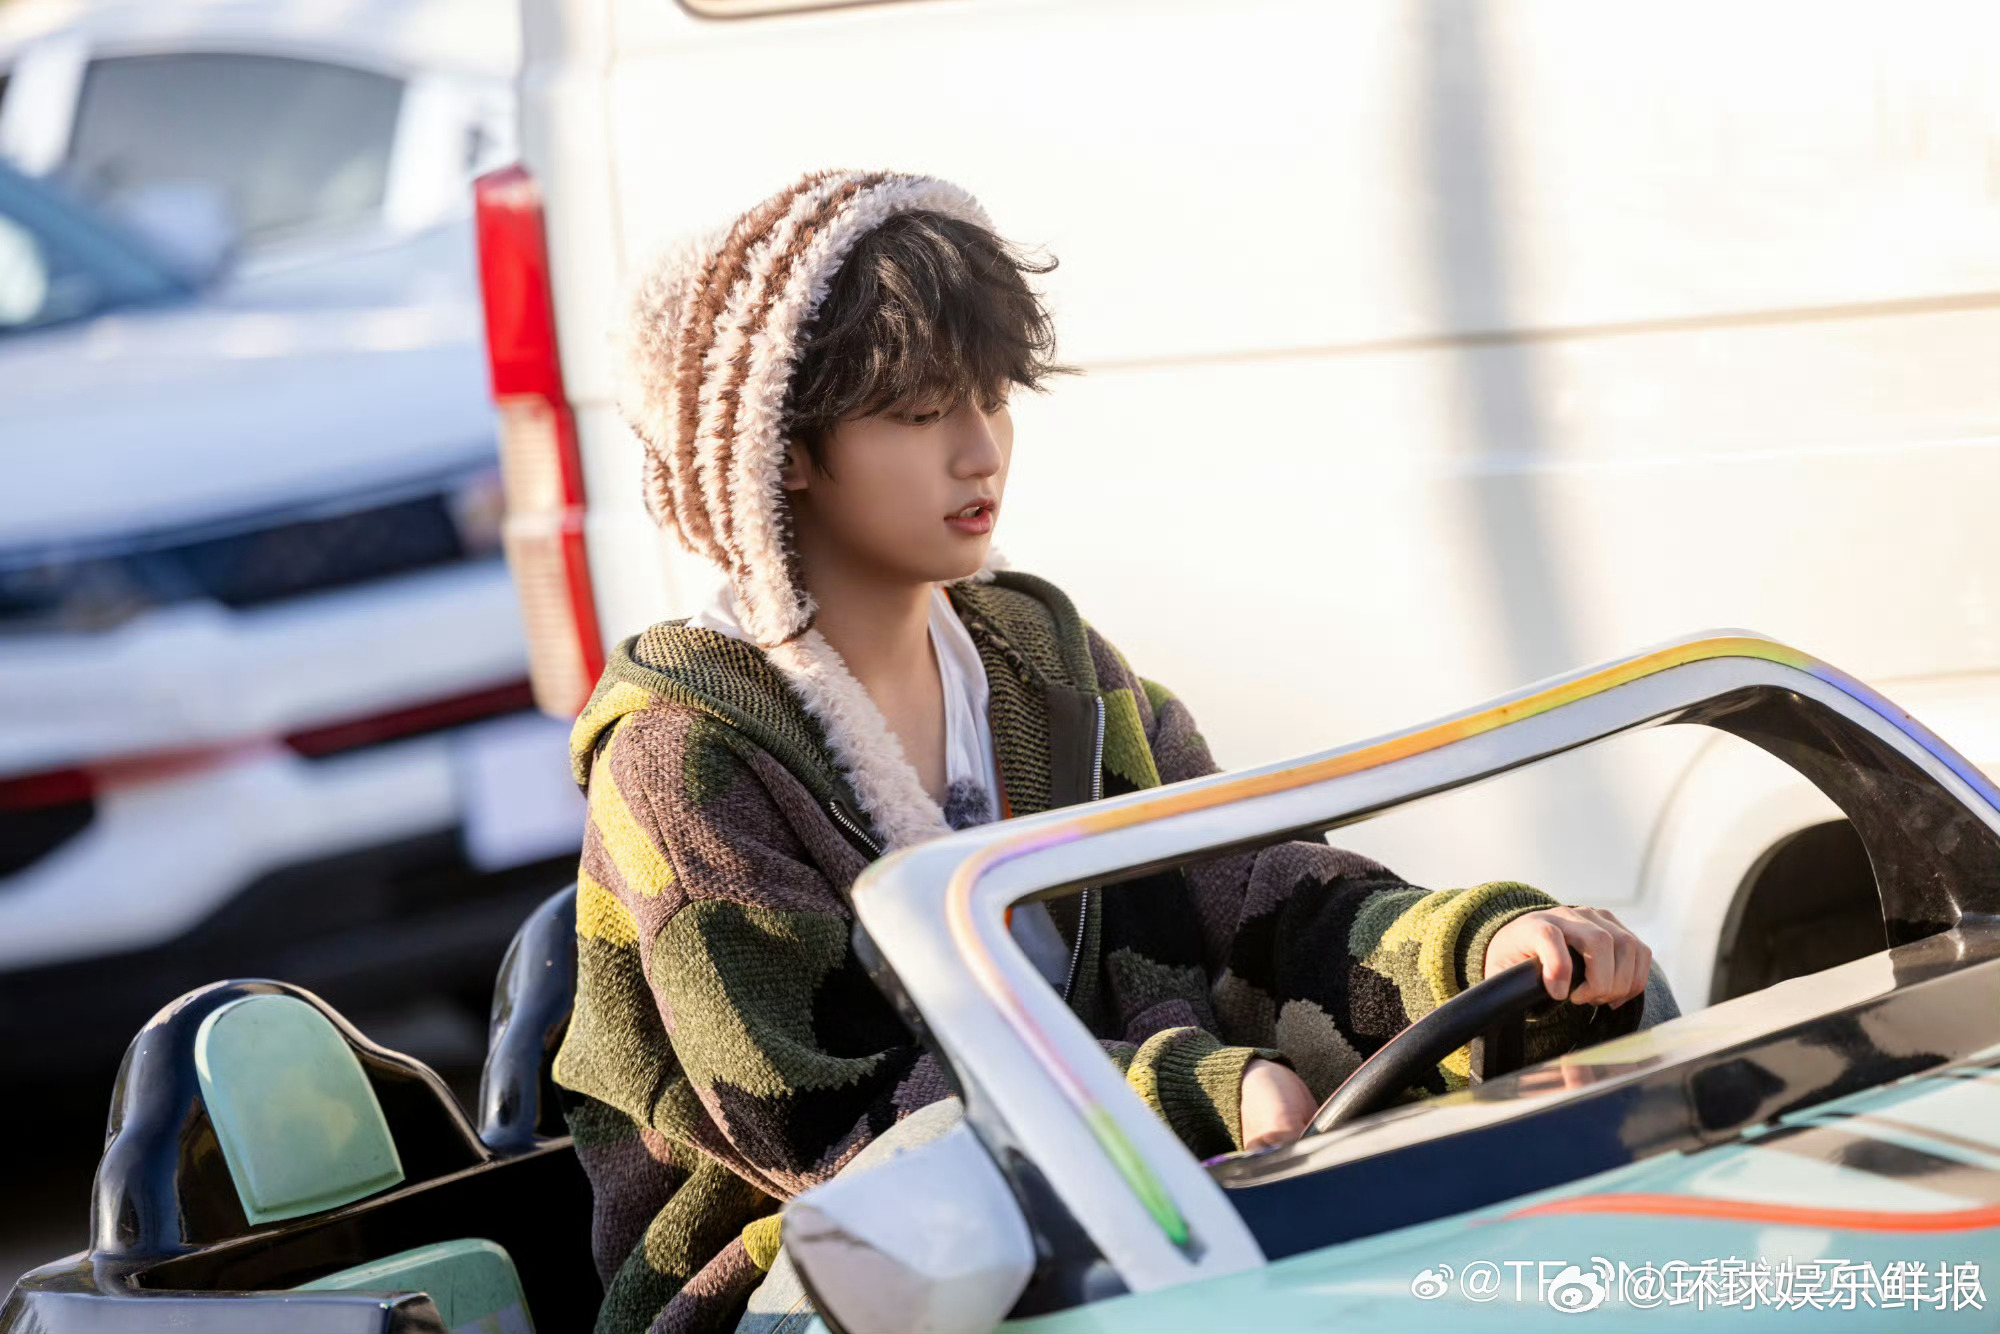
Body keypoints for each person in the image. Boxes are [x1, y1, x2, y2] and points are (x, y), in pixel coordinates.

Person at [551, 169, 1662, 1334]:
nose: (979, 452)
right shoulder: (682, 759)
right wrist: (1184, 1097)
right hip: (814, 1287)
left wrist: (1475, 950)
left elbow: (1256, 889)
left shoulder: (1049, 662)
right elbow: (840, 1126)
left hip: (1161, 1244)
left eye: (991, 398)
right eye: (920, 414)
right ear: (776, 448)